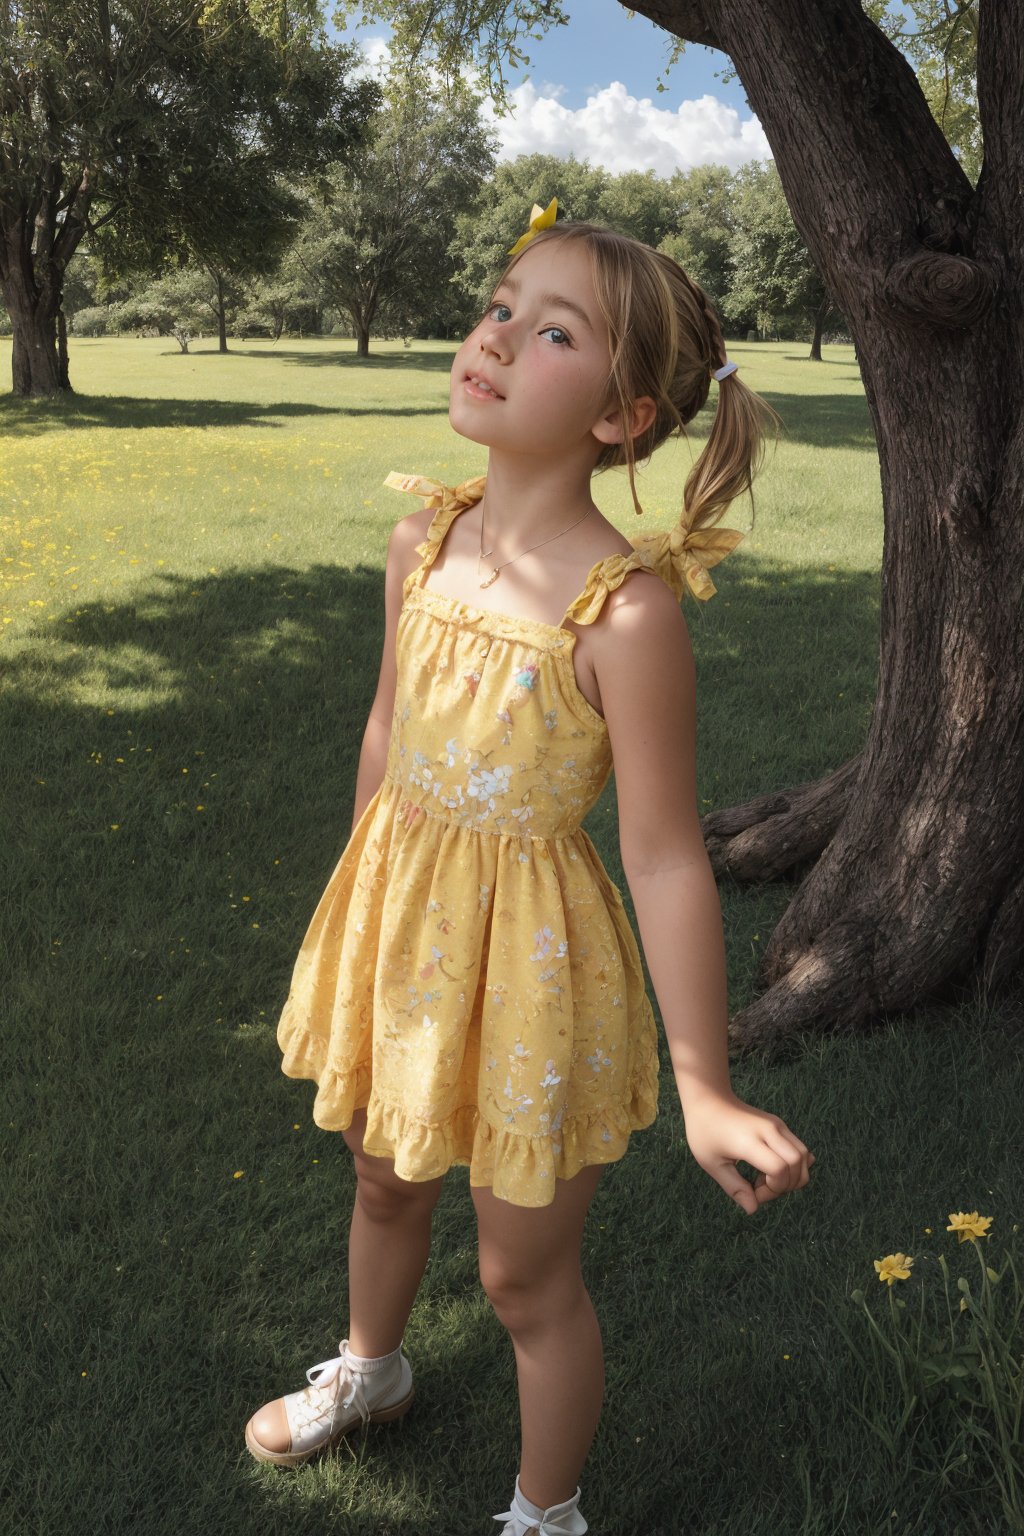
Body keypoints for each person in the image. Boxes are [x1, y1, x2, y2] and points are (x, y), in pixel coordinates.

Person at [244, 199, 816, 1535]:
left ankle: (544, 1511)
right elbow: (388, 728)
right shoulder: (423, 542)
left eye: (552, 330)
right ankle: (372, 1370)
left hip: (536, 974)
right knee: (384, 1175)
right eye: (501, 304)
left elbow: (668, 856)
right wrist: (355, 910)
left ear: (620, 415)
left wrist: (704, 1084)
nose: (495, 335)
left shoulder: (625, 608)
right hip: (405, 932)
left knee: (521, 1279)